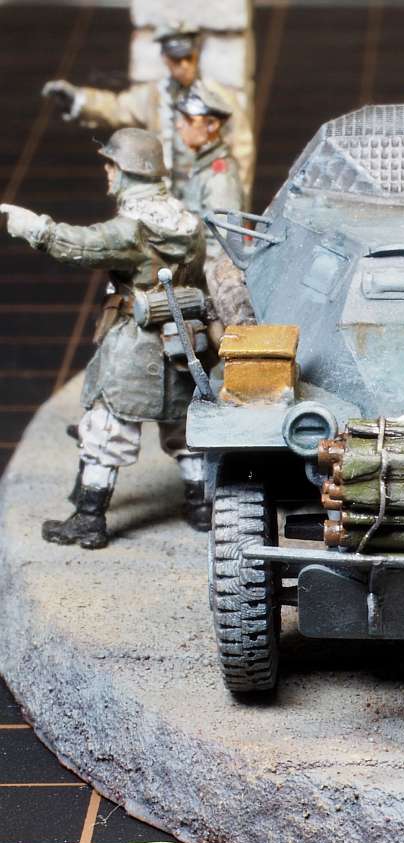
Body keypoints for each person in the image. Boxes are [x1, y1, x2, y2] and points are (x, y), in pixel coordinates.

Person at [0, 129, 212, 549]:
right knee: (185, 429)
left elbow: (83, 245)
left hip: (136, 346)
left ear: (132, 172)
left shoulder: (132, 231)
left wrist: (34, 228)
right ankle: (202, 505)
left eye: (112, 165)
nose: (107, 171)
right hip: (182, 342)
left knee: (105, 429)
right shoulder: (188, 222)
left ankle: (90, 518)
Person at [42, 24, 254, 203]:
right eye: (176, 60)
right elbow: (118, 107)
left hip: (206, 187)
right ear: (165, 58)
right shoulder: (156, 95)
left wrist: (238, 197)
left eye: (189, 58)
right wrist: (79, 99)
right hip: (167, 190)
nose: (184, 66)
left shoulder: (217, 98)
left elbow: (242, 146)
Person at [175, 84, 254, 326]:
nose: (179, 125)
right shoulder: (203, 167)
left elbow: (221, 244)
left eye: (189, 120)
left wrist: (188, 279)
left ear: (211, 126)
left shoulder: (219, 176)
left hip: (212, 283)